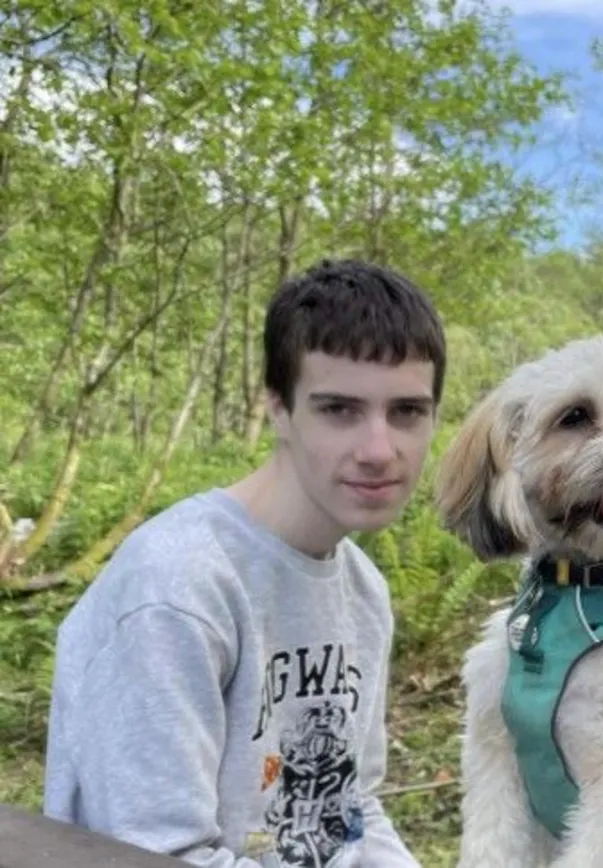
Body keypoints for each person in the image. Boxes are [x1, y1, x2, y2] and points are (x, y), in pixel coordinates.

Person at [43, 259, 446, 868]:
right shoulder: (178, 586)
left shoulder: (363, 590)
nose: (379, 450)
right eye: (338, 409)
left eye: (408, 412)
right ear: (278, 409)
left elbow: (352, 805)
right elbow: (158, 855)